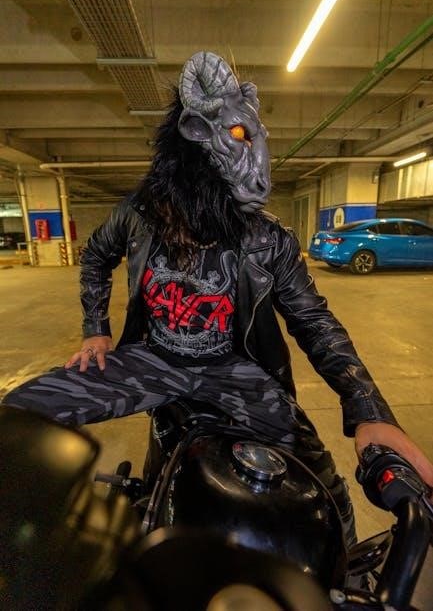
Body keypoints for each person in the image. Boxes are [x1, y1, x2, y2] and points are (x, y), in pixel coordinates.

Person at [3, 52, 433, 545]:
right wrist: (95, 329)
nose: (260, 167)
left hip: (234, 371)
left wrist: (369, 410)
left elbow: (315, 322)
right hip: (153, 360)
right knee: (20, 412)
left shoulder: (267, 239)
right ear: (195, 134)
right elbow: (97, 255)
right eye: (238, 135)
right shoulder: (139, 213)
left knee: (323, 486)